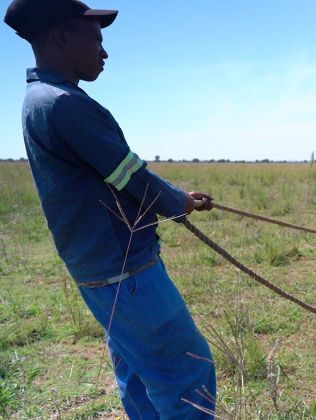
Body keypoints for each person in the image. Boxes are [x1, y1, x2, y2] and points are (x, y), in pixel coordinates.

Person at [4, 0, 216, 417]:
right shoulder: (64, 103)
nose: (104, 51)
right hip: (127, 273)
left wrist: (177, 199)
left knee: (138, 373)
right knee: (185, 372)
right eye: (96, 39)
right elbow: (131, 176)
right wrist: (181, 203)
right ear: (62, 36)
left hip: (99, 272)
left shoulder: (39, 100)